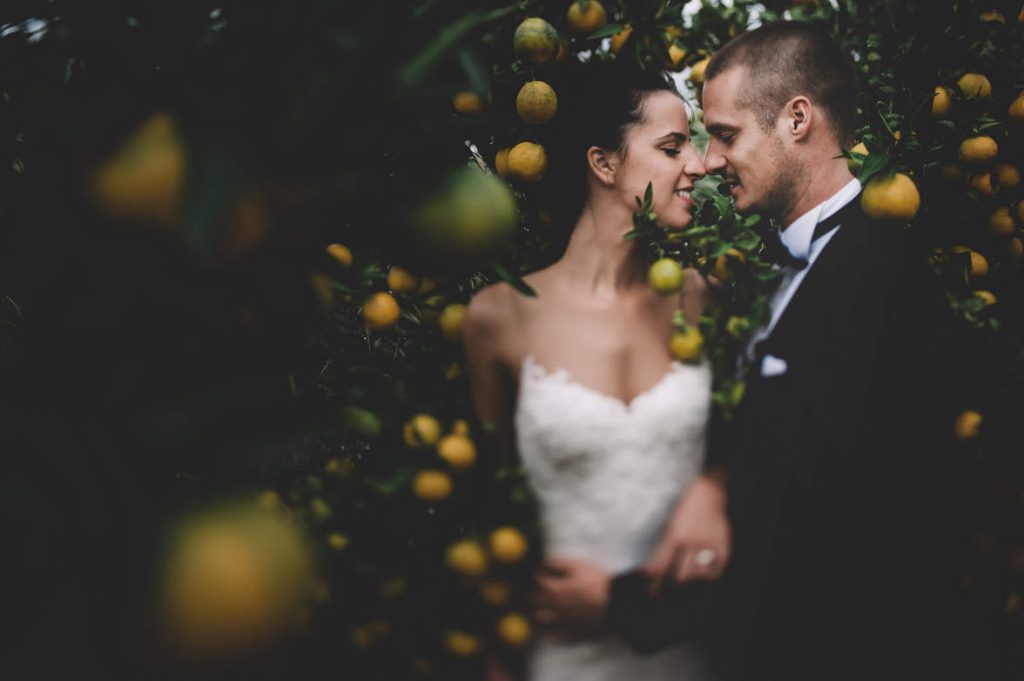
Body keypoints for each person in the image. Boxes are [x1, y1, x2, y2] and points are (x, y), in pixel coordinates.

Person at [531, 21, 994, 681]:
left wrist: (620, 605)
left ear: (797, 119)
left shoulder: (880, 275)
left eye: (725, 134)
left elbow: (805, 529)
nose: (710, 160)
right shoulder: (766, 268)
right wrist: (715, 481)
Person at [463, 59, 723, 680]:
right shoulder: (500, 317)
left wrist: (714, 483)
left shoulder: (704, 299)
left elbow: (752, 443)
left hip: (696, 647)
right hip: (563, 656)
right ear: (603, 163)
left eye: (692, 143)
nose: (697, 164)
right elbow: (489, 511)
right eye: (670, 147)